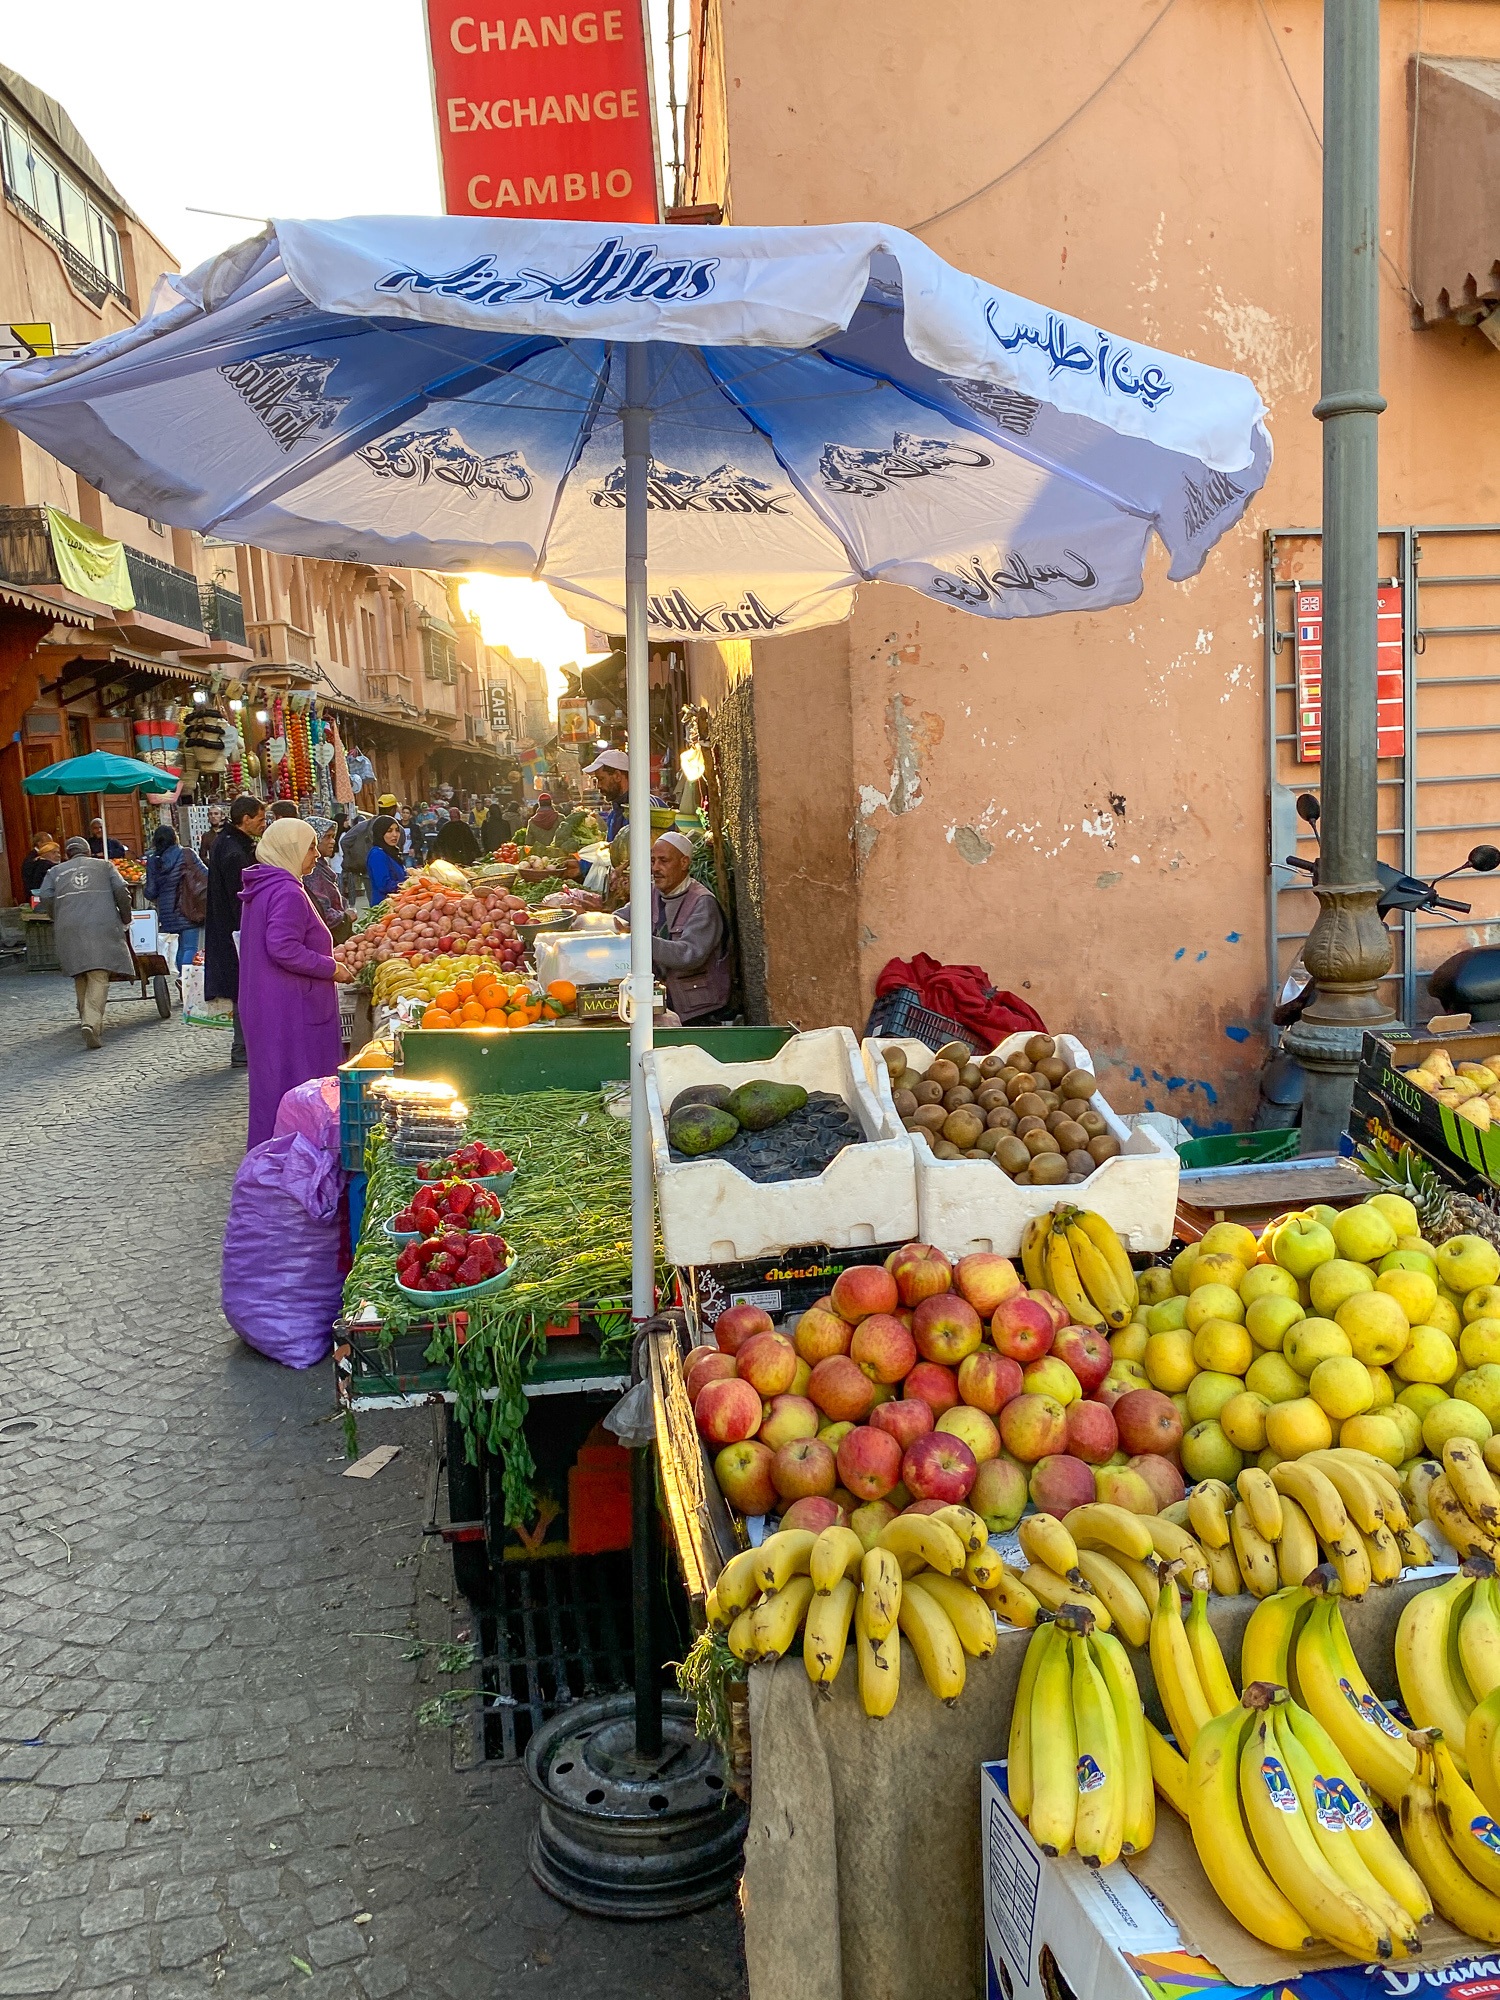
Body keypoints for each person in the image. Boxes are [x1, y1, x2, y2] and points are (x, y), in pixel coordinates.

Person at [236, 818, 350, 1149]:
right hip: (290, 1008)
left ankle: (271, 1158)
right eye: (310, 846)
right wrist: (331, 968)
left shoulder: (265, 885)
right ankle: (295, 1162)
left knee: (272, 1087)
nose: (316, 853)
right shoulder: (286, 890)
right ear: (291, 849)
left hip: (269, 1002)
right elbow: (283, 947)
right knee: (298, 1091)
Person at [37, 837, 133, 1049]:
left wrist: (56, 915)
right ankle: (90, 1023)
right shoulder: (105, 866)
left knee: (80, 973)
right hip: (101, 926)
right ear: (88, 851)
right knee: (98, 974)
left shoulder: (56, 872)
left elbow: (45, 895)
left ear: (68, 854)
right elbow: (121, 891)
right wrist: (126, 916)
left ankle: (85, 1017)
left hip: (68, 928)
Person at [205, 794, 266, 1069]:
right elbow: (239, 897)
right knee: (244, 987)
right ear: (246, 819)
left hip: (228, 927)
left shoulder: (228, 843)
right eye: (261, 819)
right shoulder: (234, 852)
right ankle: (242, 1048)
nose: (263, 824)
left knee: (241, 987)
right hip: (235, 930)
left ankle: (243, 1047)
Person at [644, 832, 731, 1023]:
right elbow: (622, 918)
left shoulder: (703, 903)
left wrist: (640, 942)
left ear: (684, 863)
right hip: (666, 1003)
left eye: (663, 861)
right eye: (653, 861)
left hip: (697, 1012)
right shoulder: (653, 892)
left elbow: (688, 955)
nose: (655, 868)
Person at [144, 824, 203, 976]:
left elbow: (150, 892)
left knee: (181, 947)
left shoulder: (152, 860)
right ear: (174, 838)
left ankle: (181, 979)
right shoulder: (186, 854)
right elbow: (205, 875)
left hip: (167, 912)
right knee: (189, 947)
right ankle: (184, 980)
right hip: (189, 907)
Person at [305, 822, 353, 942]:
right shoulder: (312, 872)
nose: (332, 841)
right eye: (327, 837)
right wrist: (345, 917)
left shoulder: (321, 866)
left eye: (333, 836)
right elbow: (321, 911)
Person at [583, 750, 631, 840]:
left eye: (601, 779)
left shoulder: (646, 807)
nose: (598, 786)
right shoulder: (615, 813)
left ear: (617, 776)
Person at [365, 814, 408, 905]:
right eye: (389, 831)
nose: (395, 835)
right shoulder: (377, 854)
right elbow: (384, 885)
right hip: (384, 906)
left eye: (397, 830)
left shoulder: (392, 852)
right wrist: (408, 885)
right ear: (380, 833)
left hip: (399, 904)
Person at [21, 832, 60, 900]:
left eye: (58, 852)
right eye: (48, 842)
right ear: (39, 843)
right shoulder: (37, 862)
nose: (58, 855)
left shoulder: (41, 860)